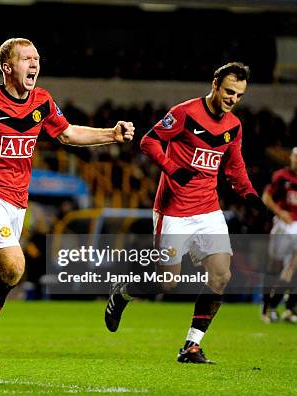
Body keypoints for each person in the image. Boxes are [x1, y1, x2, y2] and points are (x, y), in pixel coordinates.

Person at [0, 37, 134, 378]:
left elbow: (68, 134)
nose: (34, 64)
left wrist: (112, 134)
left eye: (36, 58)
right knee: (15, 266)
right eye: (26, 59)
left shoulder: (42, 101)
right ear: (7, 66)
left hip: (16, 203)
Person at [104, 62, 264, 364]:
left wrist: (249, 194)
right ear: (215, 85)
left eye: (240, 95)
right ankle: (122, 293)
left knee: (221, 276)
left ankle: (192, 346)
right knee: (167, 283)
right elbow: (149, 141)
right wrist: (173, 169)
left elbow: (234, 167)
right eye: (229, 91)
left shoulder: (234, 126)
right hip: (173, 210)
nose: (233, 99)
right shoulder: (185, 113)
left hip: (208, 210)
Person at [261, 147, 297, 324]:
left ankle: (286, 307)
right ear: (291, 158)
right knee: (274, 266)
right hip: (283, 225)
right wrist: (280, 211)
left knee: (292, 268)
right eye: (296, 157)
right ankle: (268, 306)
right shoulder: (281, 176)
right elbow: (266, 197)